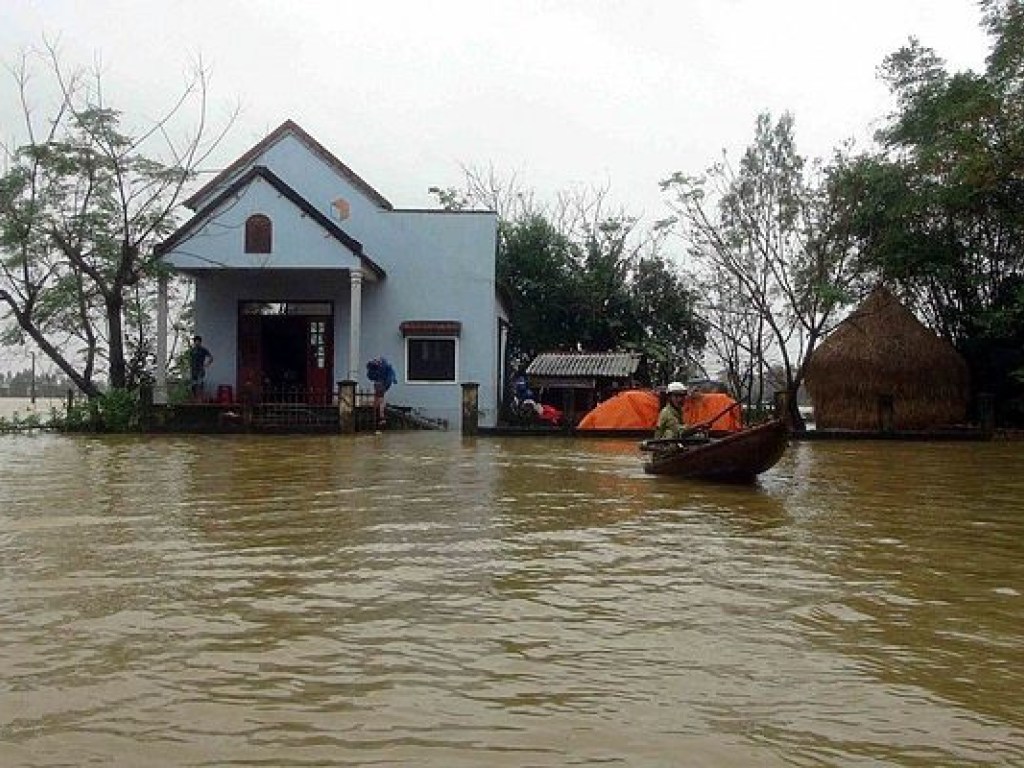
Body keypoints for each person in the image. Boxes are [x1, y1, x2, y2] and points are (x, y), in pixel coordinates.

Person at [366, 356, 397, 426]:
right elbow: (370, 375)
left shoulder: (384, 367)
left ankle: (380, 416)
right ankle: (379, 416)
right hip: (380, 384)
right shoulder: (381, 367)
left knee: (379, 399)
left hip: (381, 384)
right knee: (379, 399)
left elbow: (370, 375)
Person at [189, 335, 213, 400]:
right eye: (195, 341)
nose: (197, 343)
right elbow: (188, 359)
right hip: (193, 369)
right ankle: (194, 398)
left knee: (200, 384)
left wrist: (207, 364)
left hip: (200, 369)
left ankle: (200, 398)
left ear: (200, 342)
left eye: (198, 341)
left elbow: (211, 357)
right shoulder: (192, 350)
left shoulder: (203, 350)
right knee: (193, 385)